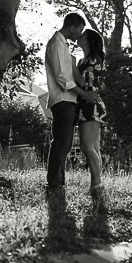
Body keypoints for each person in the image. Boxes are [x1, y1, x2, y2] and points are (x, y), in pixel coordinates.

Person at [44, 12, 89, 191]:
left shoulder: (63, 45)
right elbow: (62, 77)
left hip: (68, 99)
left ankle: (59, 181)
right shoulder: (56, 44)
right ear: (72, 27)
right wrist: (83, 94)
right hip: (62, 99)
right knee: (61, 142)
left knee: (66, 142)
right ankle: (54, 182)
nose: (80, 34)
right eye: (80, 30)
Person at [74, 28, 109, 213]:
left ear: (88, 40)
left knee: (88, 146)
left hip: (91, 104)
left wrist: (71, 65)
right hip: (87, 104)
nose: (79, 38)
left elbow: (84, 83)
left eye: (82, 36)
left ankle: (97, 184)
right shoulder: (85, 60)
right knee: (93, 147)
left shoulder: (93, 59)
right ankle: (96, 184)